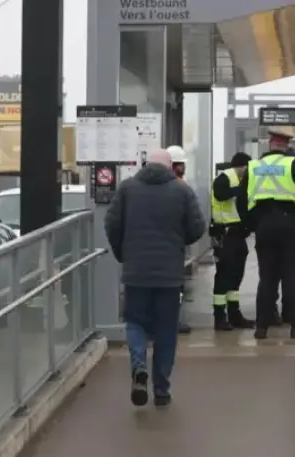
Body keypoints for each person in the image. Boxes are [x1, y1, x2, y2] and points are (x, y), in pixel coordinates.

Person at [104, 148, 206, 407]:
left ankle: (139, 367)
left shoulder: (127, 189)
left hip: (135, 272)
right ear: (171, 166)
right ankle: (161, 389)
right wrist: (178, 244)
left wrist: (123, 253)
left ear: (145, 164)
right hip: (170, 276)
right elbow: (197, 227)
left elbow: (111, 224)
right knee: (166, 329)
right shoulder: (182, 191)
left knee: (135, 322)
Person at [237, 129, 295, 339]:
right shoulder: (294, 166)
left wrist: (251, 224)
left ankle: (262, 327)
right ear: (286, 145)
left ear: (269, 144)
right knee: (290, 275)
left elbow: (241, 201)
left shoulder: (253, 167)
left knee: (266, 276)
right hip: (290, 226)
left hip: (264, 226)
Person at [209, 151, 255, 330]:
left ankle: (235, 314)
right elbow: (221, 195)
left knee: (236, 276)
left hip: (237, 234)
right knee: (224, 276)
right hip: (224, 234)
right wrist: (241, 190)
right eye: (247, 168)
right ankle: (219, 317)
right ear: (241, 166)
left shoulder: (244, 181)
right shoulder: (223, 178)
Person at [167, 144, 194, 334]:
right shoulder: (181, 187)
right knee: (175, 286)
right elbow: (194, 221)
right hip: (174, 246)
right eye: (180, 165)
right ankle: (173, 322)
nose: (182, 169)